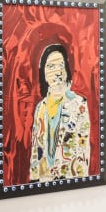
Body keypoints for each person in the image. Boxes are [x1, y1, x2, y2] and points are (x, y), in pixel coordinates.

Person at [29, 44, 91, 182]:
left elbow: (83, 151)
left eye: (60, 65)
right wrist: (34, 180)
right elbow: (35, 150)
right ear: (44, 73)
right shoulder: (40, 108)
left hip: (70, 181)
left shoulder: (79, 104)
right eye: (51, 66)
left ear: (66, 70)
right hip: (43, 182)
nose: (57, 71)